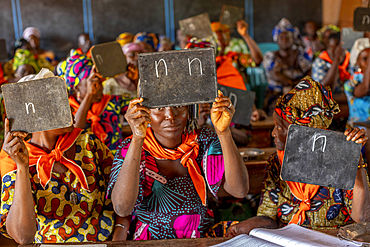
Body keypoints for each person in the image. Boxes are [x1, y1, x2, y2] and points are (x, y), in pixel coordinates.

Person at [226, 76, 370, 236]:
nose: (273, 133)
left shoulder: (340, 157)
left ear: (304, 132)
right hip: (289, 240)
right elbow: (269, 218)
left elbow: (362, 217)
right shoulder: (276, 161)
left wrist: (355, 163)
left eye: (279, 128)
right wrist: (243, 228)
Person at [107, 91, 249, 240]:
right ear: (144, 111)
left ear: (189, 108)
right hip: (151, 242)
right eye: (159, 108)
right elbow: (122, 208)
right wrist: (137, 138)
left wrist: (224, 133)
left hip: (199, 239)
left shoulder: (204, 140)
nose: (171, 115)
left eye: (179, 105)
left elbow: (239, 190)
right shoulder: (131, 148)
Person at [0, 71, 115, 244]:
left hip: (106, 242)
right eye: (59, 102)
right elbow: (23, 237)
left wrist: (121, 233)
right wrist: (23, 168)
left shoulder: (88, 144)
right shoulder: (16, 163)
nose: (70, 107)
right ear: (36, 114)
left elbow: (119, 193)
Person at [58, 50, 131, 155]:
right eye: (92, 83)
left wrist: (134, 81)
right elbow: (74, 133)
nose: (99, 88)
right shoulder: (67, 108)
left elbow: (142, 106)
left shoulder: (112, 101)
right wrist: (89, 95)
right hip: (86, 166)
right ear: (76, 87)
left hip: (114, 163)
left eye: (100, 82)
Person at [263, 18, 311, 115]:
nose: (284, 40)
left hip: (301, 93)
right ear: (277, 39)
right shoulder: (271, 56)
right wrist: (291, 85)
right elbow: (274, 74)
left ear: (293, 38)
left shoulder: (300, 55)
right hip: (277, 94)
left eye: (287, 37)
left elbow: (309, 71)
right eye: (281, 38)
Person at [344, 39, 370, 163]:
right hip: (358, 131)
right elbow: (365, 88)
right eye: (366, 59)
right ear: (357, 62)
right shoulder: (353, 81)